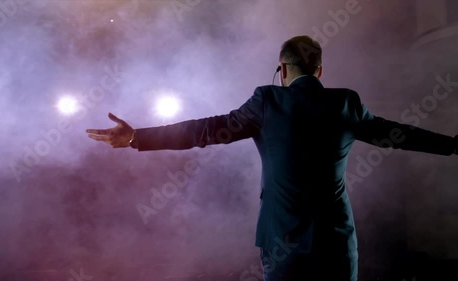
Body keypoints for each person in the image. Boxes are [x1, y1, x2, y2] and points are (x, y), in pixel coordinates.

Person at [86, 35, 458, 281]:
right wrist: (454, 145)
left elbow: (204, 131)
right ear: (320, 71)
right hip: (336, 243)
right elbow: (399, 135)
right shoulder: (347, 102)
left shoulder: (267, 100)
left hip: (283, 242)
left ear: (282, 70)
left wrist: (138, 137)